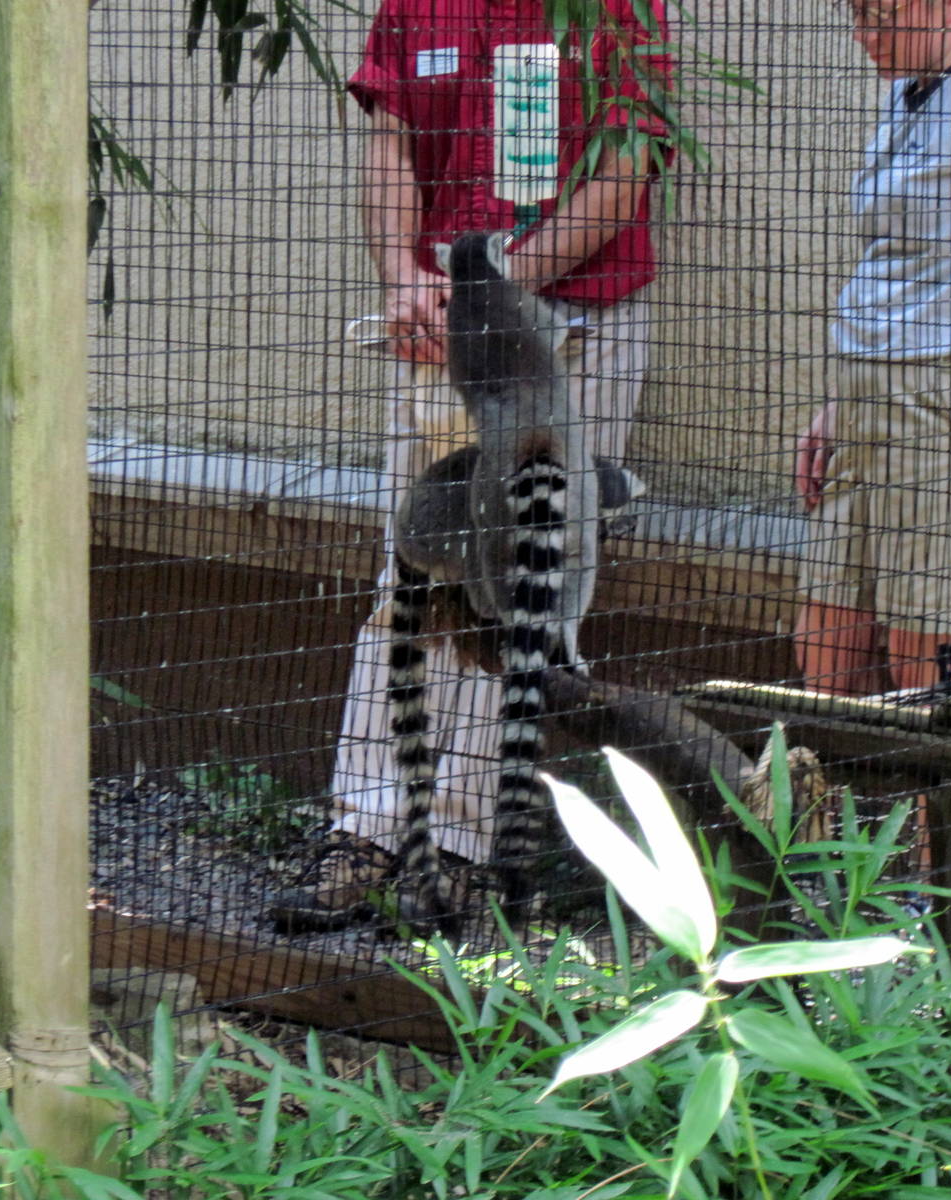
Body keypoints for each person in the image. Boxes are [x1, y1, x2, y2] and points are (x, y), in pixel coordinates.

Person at [270, 0, 670, 931]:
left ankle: (461, 849)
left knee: (527, 588)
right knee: (414, 571)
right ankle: (366, 832)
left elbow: (624, 173)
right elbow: (389, 147)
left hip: (573, 330)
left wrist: (491, 292)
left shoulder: (615, 8)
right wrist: (405, 280)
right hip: (442, 332)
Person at [793, 0, 951, 697]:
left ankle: (935, 811)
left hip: (942, 404)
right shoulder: (902, 93)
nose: (866, 36)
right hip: (865, 400)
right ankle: (826, 808)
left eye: (884, 16)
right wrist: (837, 406)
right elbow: (890, 262)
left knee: (924, 669)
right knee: (823, 651)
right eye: (858, 16)